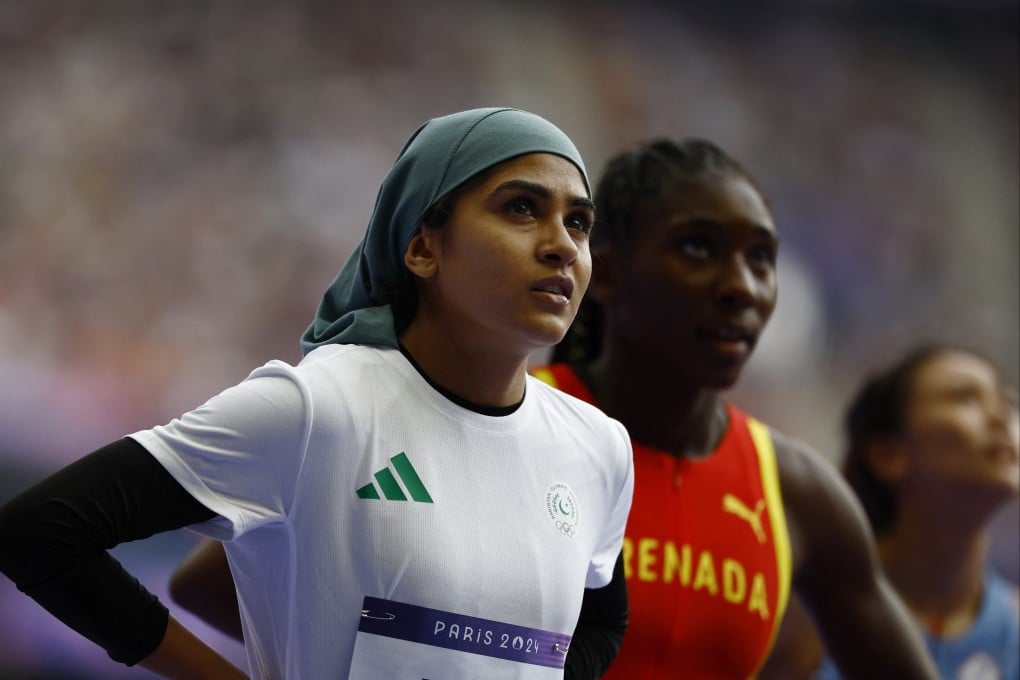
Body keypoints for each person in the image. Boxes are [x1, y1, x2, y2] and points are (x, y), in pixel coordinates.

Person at [167, 136, 940, 678]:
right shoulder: (476, 418)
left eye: (761, 258)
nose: (741, 287)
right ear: (607, 270)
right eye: (698, 249)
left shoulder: (795, 494)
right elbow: (212, 585)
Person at [0, 107, 635, 679]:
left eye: (579, 223)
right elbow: (41, 532)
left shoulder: (598, 445)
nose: (562, 245)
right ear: (422, 248)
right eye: (521, 207)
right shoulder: (319, 408)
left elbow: (603, 624)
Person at [761, 343, 1019, 680]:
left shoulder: (1014, 627)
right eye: (965, 398)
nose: (1002, 417)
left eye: (1008, 401)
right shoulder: (800, 618)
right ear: (887, 455)